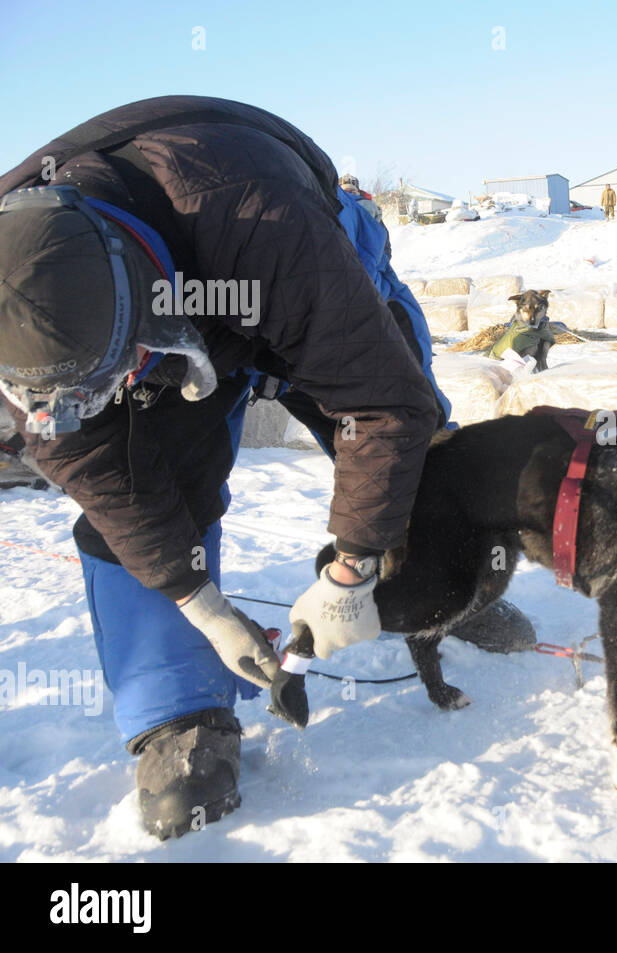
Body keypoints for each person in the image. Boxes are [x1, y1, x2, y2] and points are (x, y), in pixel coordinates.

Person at [0, 96, 453, 841]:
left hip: (290, 256)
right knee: (143, 466)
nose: (77, 408)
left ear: (142, 312)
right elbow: (94, 465)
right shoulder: (18, 308)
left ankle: (451, 577)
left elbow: (385, 404)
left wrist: (347, 572)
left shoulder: (262, 226)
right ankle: (179, 714)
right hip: (157, 313)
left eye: (95, 384)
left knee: (411, 439)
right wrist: (200, 605)